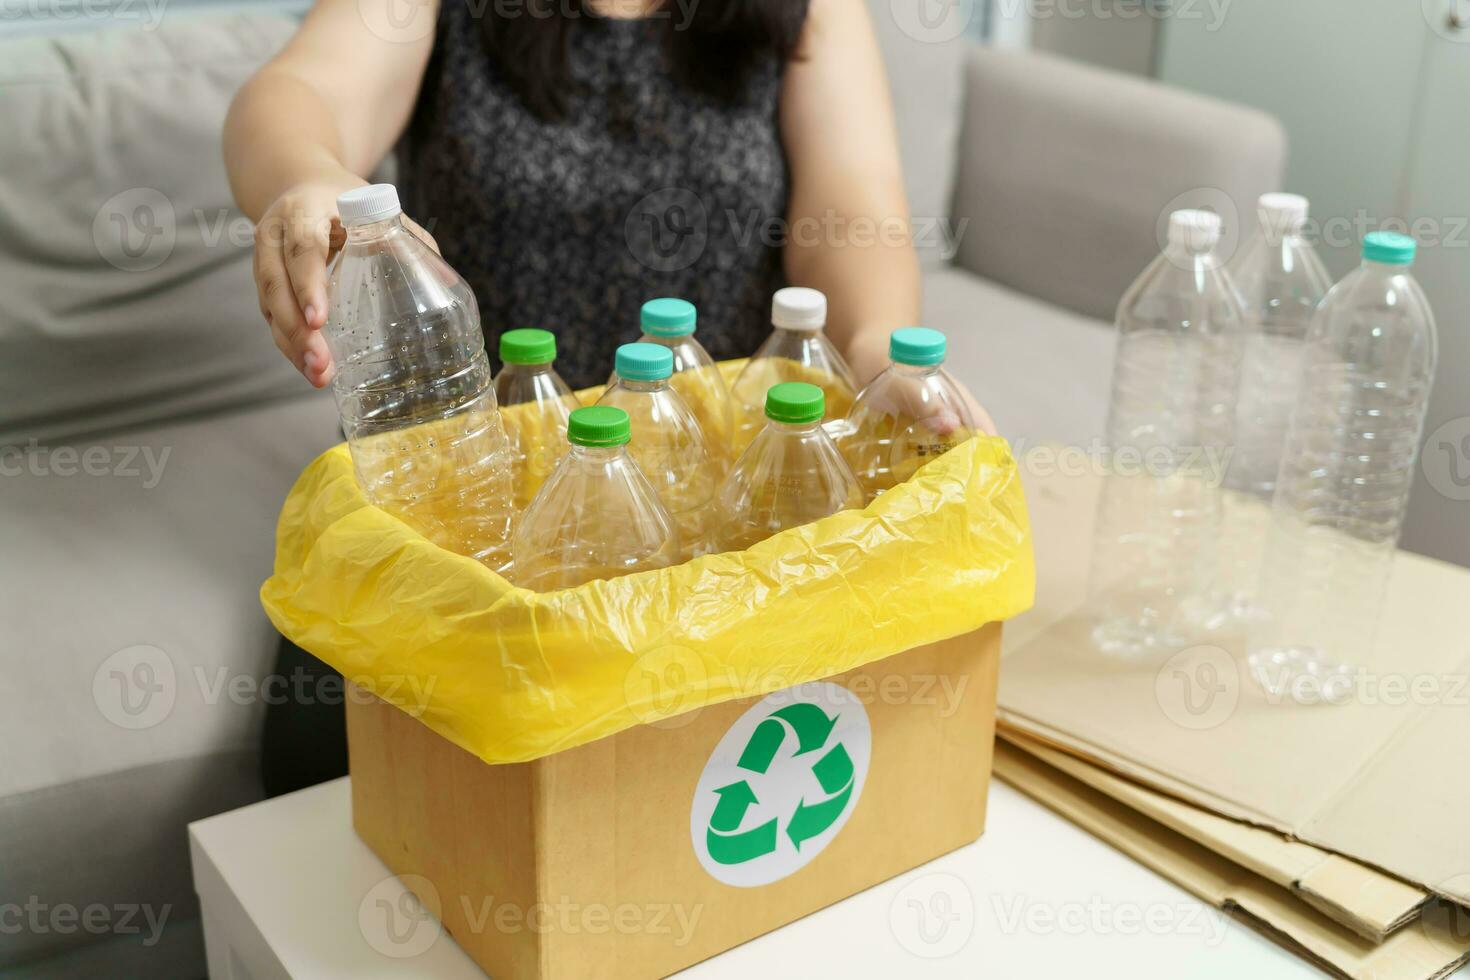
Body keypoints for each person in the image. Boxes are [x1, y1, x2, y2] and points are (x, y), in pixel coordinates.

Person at [226, 0, 994, 795]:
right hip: (474, 508)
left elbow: (853, 208)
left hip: (705, 500)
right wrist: (308, 179)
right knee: (324, 767)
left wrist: (875, 354)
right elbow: (292, 97)